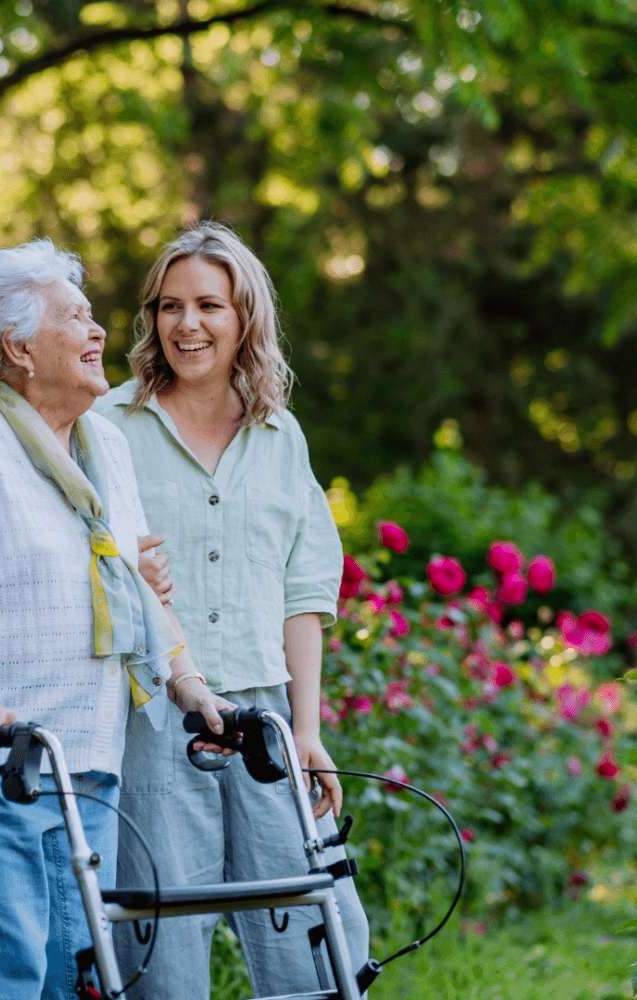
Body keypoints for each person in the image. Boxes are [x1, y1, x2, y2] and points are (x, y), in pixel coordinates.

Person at [0, 239, 231, 1000]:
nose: (99, 331)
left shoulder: (103, 441)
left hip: (84, 764)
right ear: (18, 346)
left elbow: (136, 588)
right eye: (75, 317)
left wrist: (189, 682)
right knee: (3, 983)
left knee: (77, 984)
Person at [92, 223, 370, 1000]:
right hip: (152, 717)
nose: (187, 324)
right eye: (170, 306)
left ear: (245, 316)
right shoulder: (107, 428)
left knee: (312, 933)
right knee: (160, 936)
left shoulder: (281, 437)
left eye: (209, 305)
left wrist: (306, 730)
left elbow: (305, 593)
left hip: (265, 719)